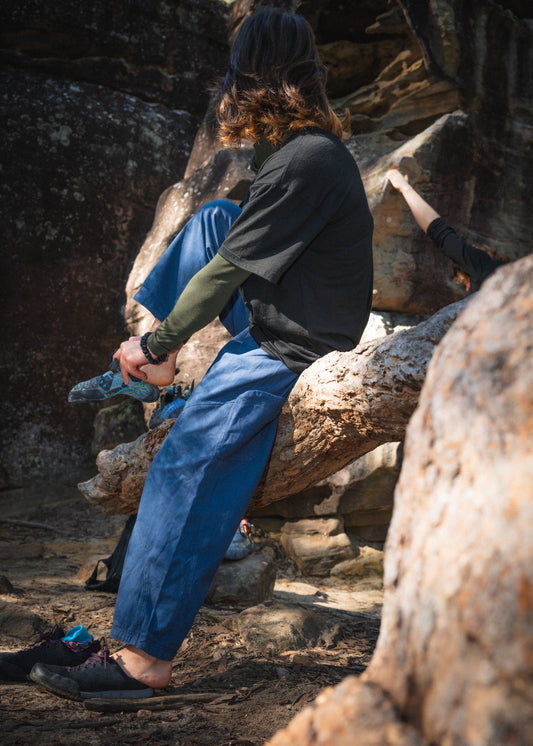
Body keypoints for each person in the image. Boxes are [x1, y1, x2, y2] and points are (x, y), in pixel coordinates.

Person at [4, 6, 373, 700]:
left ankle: (143, 658)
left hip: (292, 343)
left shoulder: (307, 158)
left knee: (183, 466)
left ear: (251, 74)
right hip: (282, 313)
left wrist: (155, 338)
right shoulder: (289, 152)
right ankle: (157, 375)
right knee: (212, 217)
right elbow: (229, 246)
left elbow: (228, 273)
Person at [386, 168, 504, 291]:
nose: (468, 289)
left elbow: (439, 232)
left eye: (465, 283)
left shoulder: (482, 265)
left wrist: (405, 188)